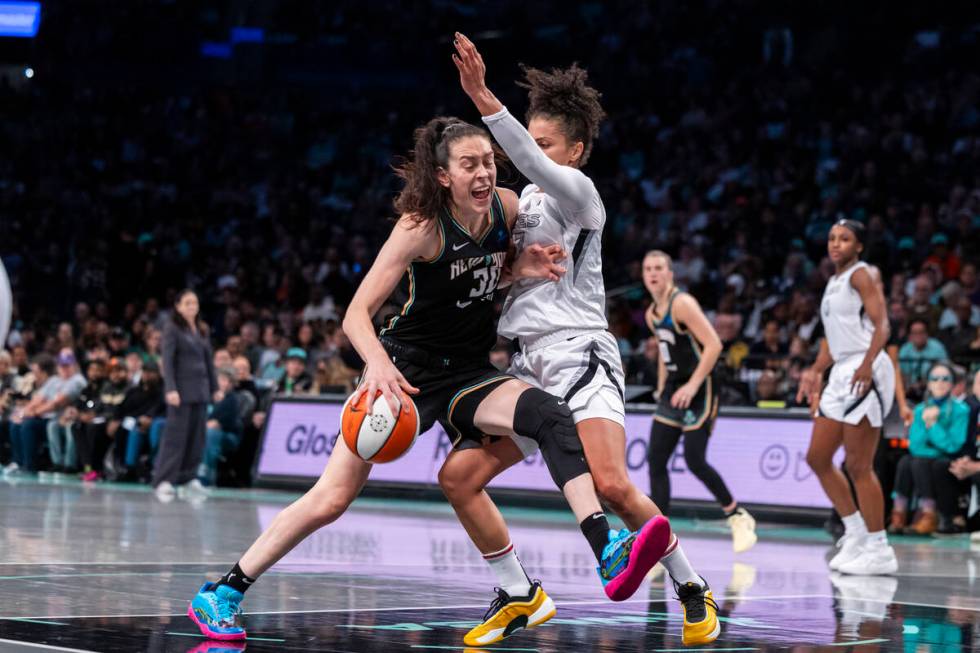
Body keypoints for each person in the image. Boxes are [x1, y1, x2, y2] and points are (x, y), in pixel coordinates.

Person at [188, 116, 659, 646]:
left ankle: (598, 548)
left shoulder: (506, 208)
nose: (484, 173)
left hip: (467, 369)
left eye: (488, 162)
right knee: (332, 498)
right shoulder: (421, 226)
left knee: (550, 414)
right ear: (442, 176)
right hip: (404, 371)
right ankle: (224, 590)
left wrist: (518, 267)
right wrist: (379, 365)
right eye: (469, 165)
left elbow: (484, 273)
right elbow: (356, 314)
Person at [449, 34, 719, 646]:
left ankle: (691, 586)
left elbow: (535, 164)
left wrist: (484, 97)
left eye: (544, 145)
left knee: (613, 485)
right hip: (522, 366)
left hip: (578, 352)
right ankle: (519, 593)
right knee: (459, 478)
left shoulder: (580, 195)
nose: (531, 156)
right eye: (531, 143)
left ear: (576, 149)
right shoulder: (518, 206)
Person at [797, 220, 898, 575]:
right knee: (818, 457)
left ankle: (879, 547)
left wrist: (868, 364)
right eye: (832, 239)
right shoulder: (834, 281)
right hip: (842, 368)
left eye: (845, 239)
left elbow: (883, 324)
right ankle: (855, 532)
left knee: (859, 464)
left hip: (865, 366)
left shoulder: (862, 274)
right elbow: (832, 340)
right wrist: (815, 370)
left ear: (859, 246)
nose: (836, 244)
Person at [643, 250, 757, 553]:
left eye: (658, 268)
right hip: (675, 388)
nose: (653, 273)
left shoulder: (682, 303)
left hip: (701, 385)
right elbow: (665, 356)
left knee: (694, 459)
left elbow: (714, 345)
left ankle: (737, 515)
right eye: (648, 269)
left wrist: (692, 386)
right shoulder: (651, 313)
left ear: (670, 274)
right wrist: (661, 387)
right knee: (656, 460)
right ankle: (659, 538)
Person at [888, 363, 969, 535]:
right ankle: (899, 512)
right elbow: (915, 445)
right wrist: (933, 445)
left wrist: (932, 425)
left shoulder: (961, 410)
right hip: (928, 456)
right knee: (905, 461)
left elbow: (953, 445)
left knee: (919, 463)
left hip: (948, 459)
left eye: (945, 379)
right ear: (929, 384)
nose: (940, 382)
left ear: (952, 383)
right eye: (935, 378)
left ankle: (928, 514)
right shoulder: (920, 409)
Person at [155, 289, 217, 501]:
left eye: (194, 303)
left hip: (200, 390)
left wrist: (215, 387)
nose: (192, 307)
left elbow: (208, 361)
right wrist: (170, 388)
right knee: (175, 438)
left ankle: (189, 477)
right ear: (178, 306)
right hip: (180, 392)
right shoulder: (172, 329)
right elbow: (168, 362)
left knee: (196, 437)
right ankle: (165, 479)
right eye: (187, 303)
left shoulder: (201, 329)